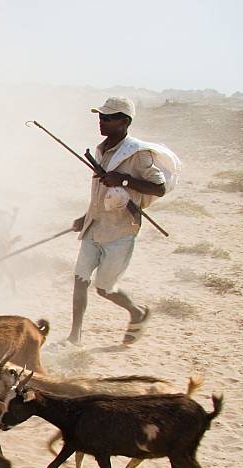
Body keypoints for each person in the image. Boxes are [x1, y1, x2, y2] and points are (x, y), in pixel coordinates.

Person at [67, 96, 169, 345]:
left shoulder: (138, 154)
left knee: (104, 289)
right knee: (80, 280)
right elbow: (101, 192)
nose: (102, 122)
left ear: (125, 121)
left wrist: (123, 180)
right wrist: (86, 216)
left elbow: (159, 188)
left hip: (121, 231)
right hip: (95, 226)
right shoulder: (101, 150)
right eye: (101, 117)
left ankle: (136, 312)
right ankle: (75, 336)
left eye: (108, 118)